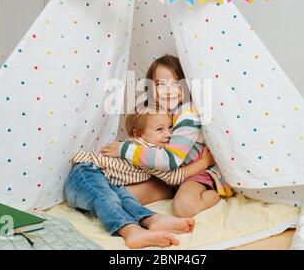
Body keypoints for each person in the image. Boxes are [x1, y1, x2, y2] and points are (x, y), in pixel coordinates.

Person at [102, 55, 233, 218]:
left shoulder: (188, 113)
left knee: (184, 208)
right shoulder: (156, 112)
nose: (169, 90)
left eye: (176, 83)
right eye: (160, 84)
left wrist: (123, 150)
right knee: (117, 197)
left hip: (197, 172)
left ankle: (216, 194)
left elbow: (170, 160)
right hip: (170, 177)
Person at [65, 106, 214, 249]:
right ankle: (131, 232)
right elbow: (173, 178)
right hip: (85, 175)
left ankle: (152, 220)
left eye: (170, 128)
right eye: (159, 129)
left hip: (104, 181)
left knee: (124, 198)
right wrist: (204, 162)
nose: (168, 134)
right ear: (138, 134)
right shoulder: (146, 152)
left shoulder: (147, 148)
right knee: (107, 198)